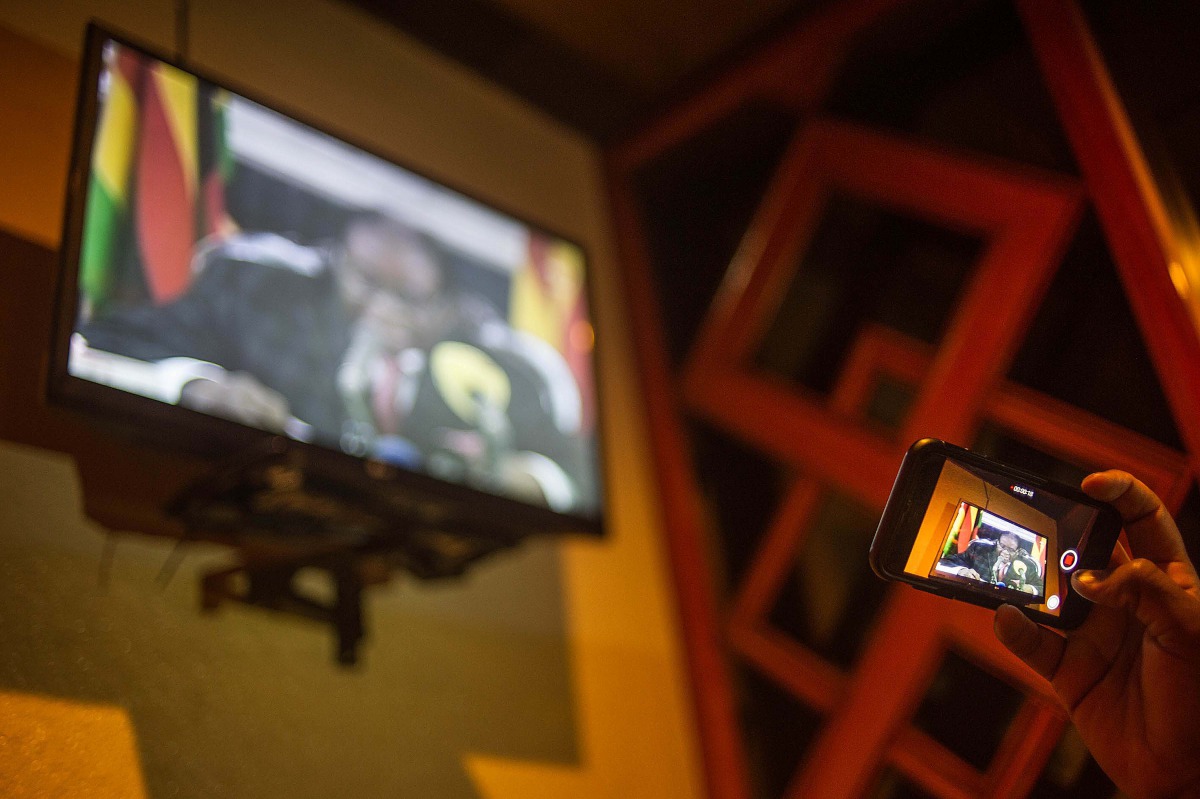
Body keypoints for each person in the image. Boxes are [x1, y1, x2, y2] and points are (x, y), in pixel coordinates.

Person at [993, 470, 1200, 799]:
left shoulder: (1030, 567)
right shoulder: (981, 554)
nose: (1007, 551)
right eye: (1002, 546)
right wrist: (1176, 783)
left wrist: (1185, 778)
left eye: (1013, 546)